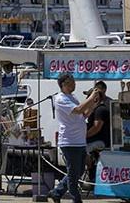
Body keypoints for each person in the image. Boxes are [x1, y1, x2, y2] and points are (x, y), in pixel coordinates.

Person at [49, 75, 108, 203]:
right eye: (72, 82)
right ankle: (76, 199)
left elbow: (83, 114)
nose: (74, 84)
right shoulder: (60, 98)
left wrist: (94, 104)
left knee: (79, 170)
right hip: (69, 141)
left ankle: (57, 192)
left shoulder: (73, 97)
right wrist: (91, 97)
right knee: (73, 172)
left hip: (79, 140)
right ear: (64, 84)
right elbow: (78, 109)